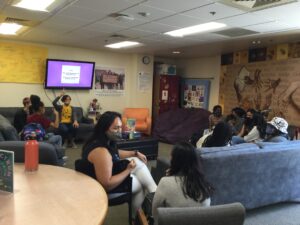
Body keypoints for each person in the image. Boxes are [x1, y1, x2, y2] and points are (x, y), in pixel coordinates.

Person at [81, 111, 157, 217]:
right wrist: (128, 170)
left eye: (120, 127)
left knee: (137, 161)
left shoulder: (103, 141)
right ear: (104, 129)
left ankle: (154, 194)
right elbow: (106, 185)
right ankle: (138, 217)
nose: (119, 131)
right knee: (140, 185)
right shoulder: (101, 152)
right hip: (101, 190)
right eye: (116, 128)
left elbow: (116, 153)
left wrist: (134, 153)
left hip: (106, 175)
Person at [152, 142, 213, 225]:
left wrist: (169, 178)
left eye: (171, 156)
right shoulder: (204, 185)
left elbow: (155, 213)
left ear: (175, 161)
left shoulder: (165, 183)